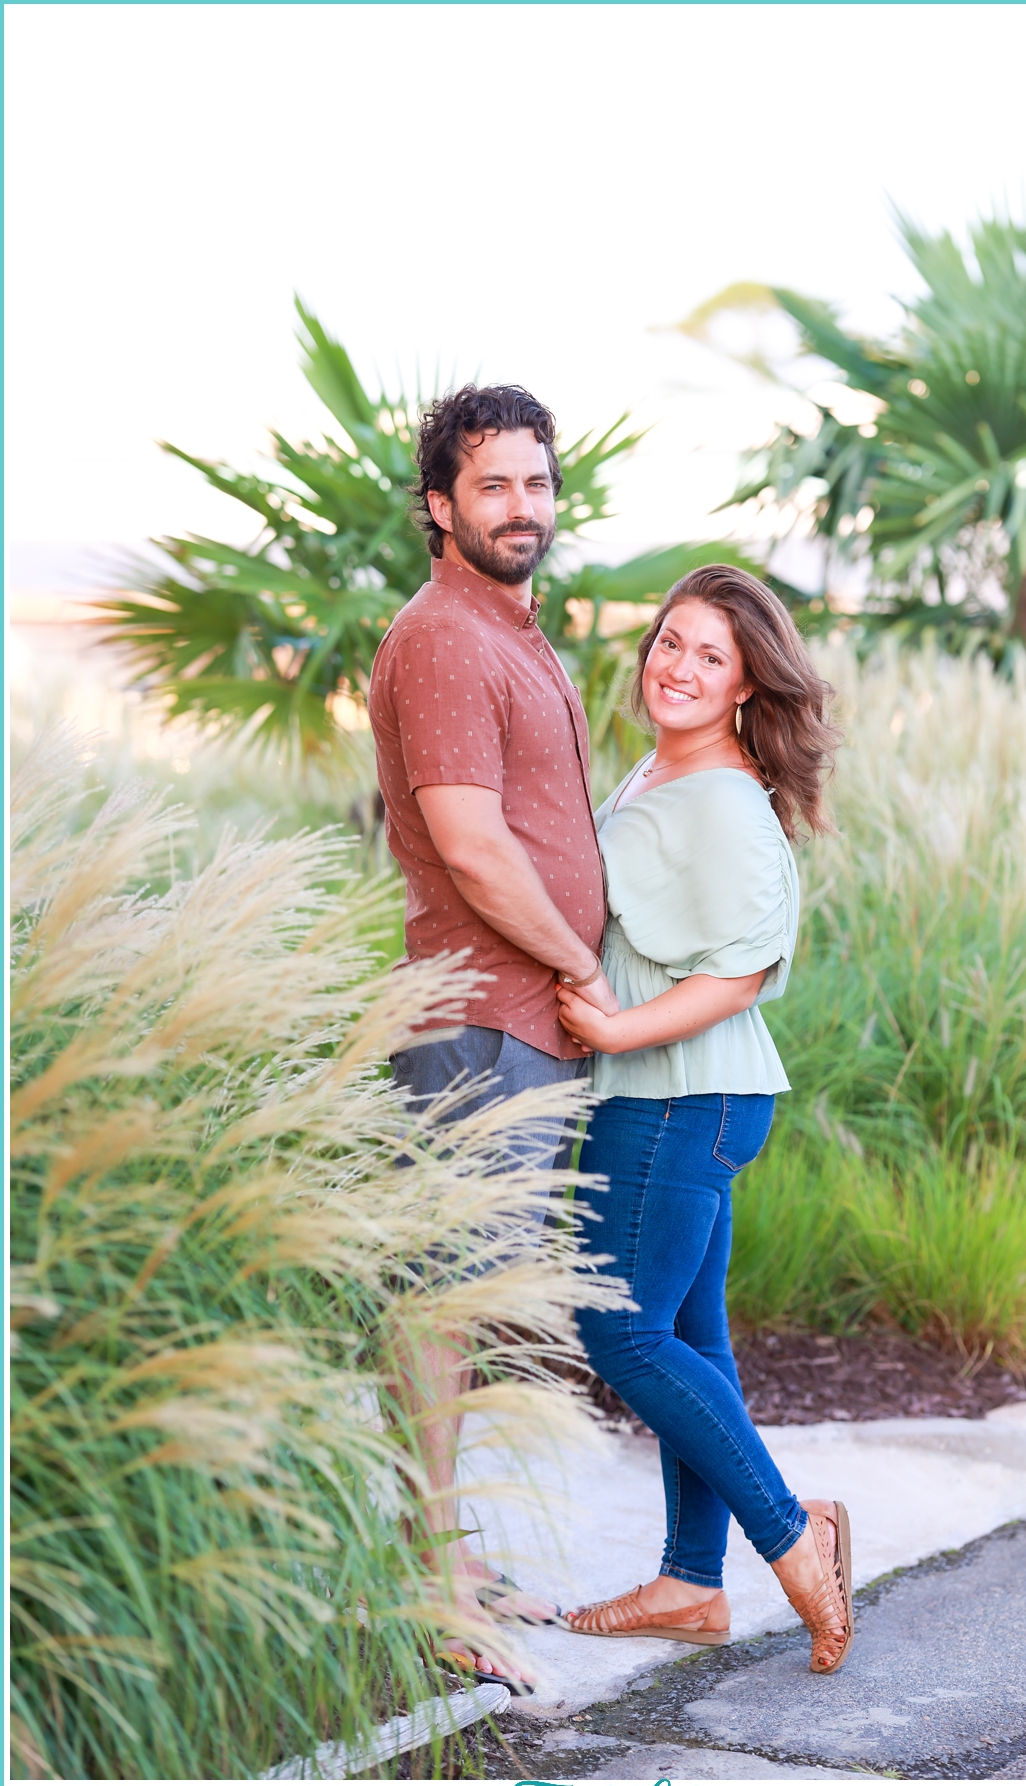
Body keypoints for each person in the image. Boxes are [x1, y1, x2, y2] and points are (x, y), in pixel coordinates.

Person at [556, 565, 854, 1674]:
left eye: (709, 657)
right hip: (685, 1096)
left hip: (681, 1096)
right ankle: (690, 1584)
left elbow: (745, 969)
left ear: (744, 686)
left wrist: (616, 1031)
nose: (676, 668)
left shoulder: (724, 799)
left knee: (621, 1335)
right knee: (687, 1342)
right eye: (669, 643)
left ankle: (793, 1534)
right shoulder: (663, 768)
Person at [368, 382, 618, 1689]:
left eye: (536, 483)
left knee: (467, 1306)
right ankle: (428, 1588)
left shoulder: (513, 631)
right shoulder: (445, 638)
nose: (522, 508)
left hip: (527, 1026)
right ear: (439, 504)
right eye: (493, 486)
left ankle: (449, 1557)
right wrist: (583, 962)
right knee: (447, 1307)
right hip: (478, 1019)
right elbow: (468, 841)